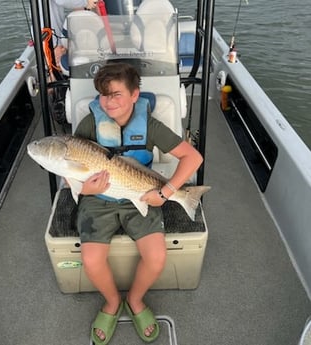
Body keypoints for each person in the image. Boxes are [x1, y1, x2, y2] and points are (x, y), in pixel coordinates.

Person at [74, 62, 203, 344]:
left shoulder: (151, 126)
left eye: (116, 94)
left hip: (141, 195)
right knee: (91, 260)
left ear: (135, 95)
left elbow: (193, 158)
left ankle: (134, 299)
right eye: (103, 95)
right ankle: (111, 302)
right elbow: (71, 168)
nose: (109, 102)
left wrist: (166, 192)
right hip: (99, 199)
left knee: (156, 258)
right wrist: (83, 189)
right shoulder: (89, 124)